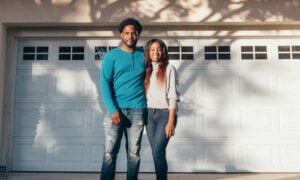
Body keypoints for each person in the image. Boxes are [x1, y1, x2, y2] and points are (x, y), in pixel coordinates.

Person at [100, 18, 147, 180]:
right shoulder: (111, 56)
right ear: (121, 35)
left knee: (134, 154)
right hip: (116, 111)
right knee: (109, 153)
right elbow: (104, 83)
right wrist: (112, 110)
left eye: (133, 33)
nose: (130, 36)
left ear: (138, 34)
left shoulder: (144, 56)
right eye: (126, 33)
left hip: (138, 110)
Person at [144, 39, 180, 180]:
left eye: (159, 49)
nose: (156, 52)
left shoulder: (169, 68)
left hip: (165, 114)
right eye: (152, 49)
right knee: (157, 152)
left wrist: (171, 122)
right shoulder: (146, 70)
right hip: (149, 115)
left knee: (158, 151)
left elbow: (173, 96)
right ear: (148, 51)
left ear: (163, 51)